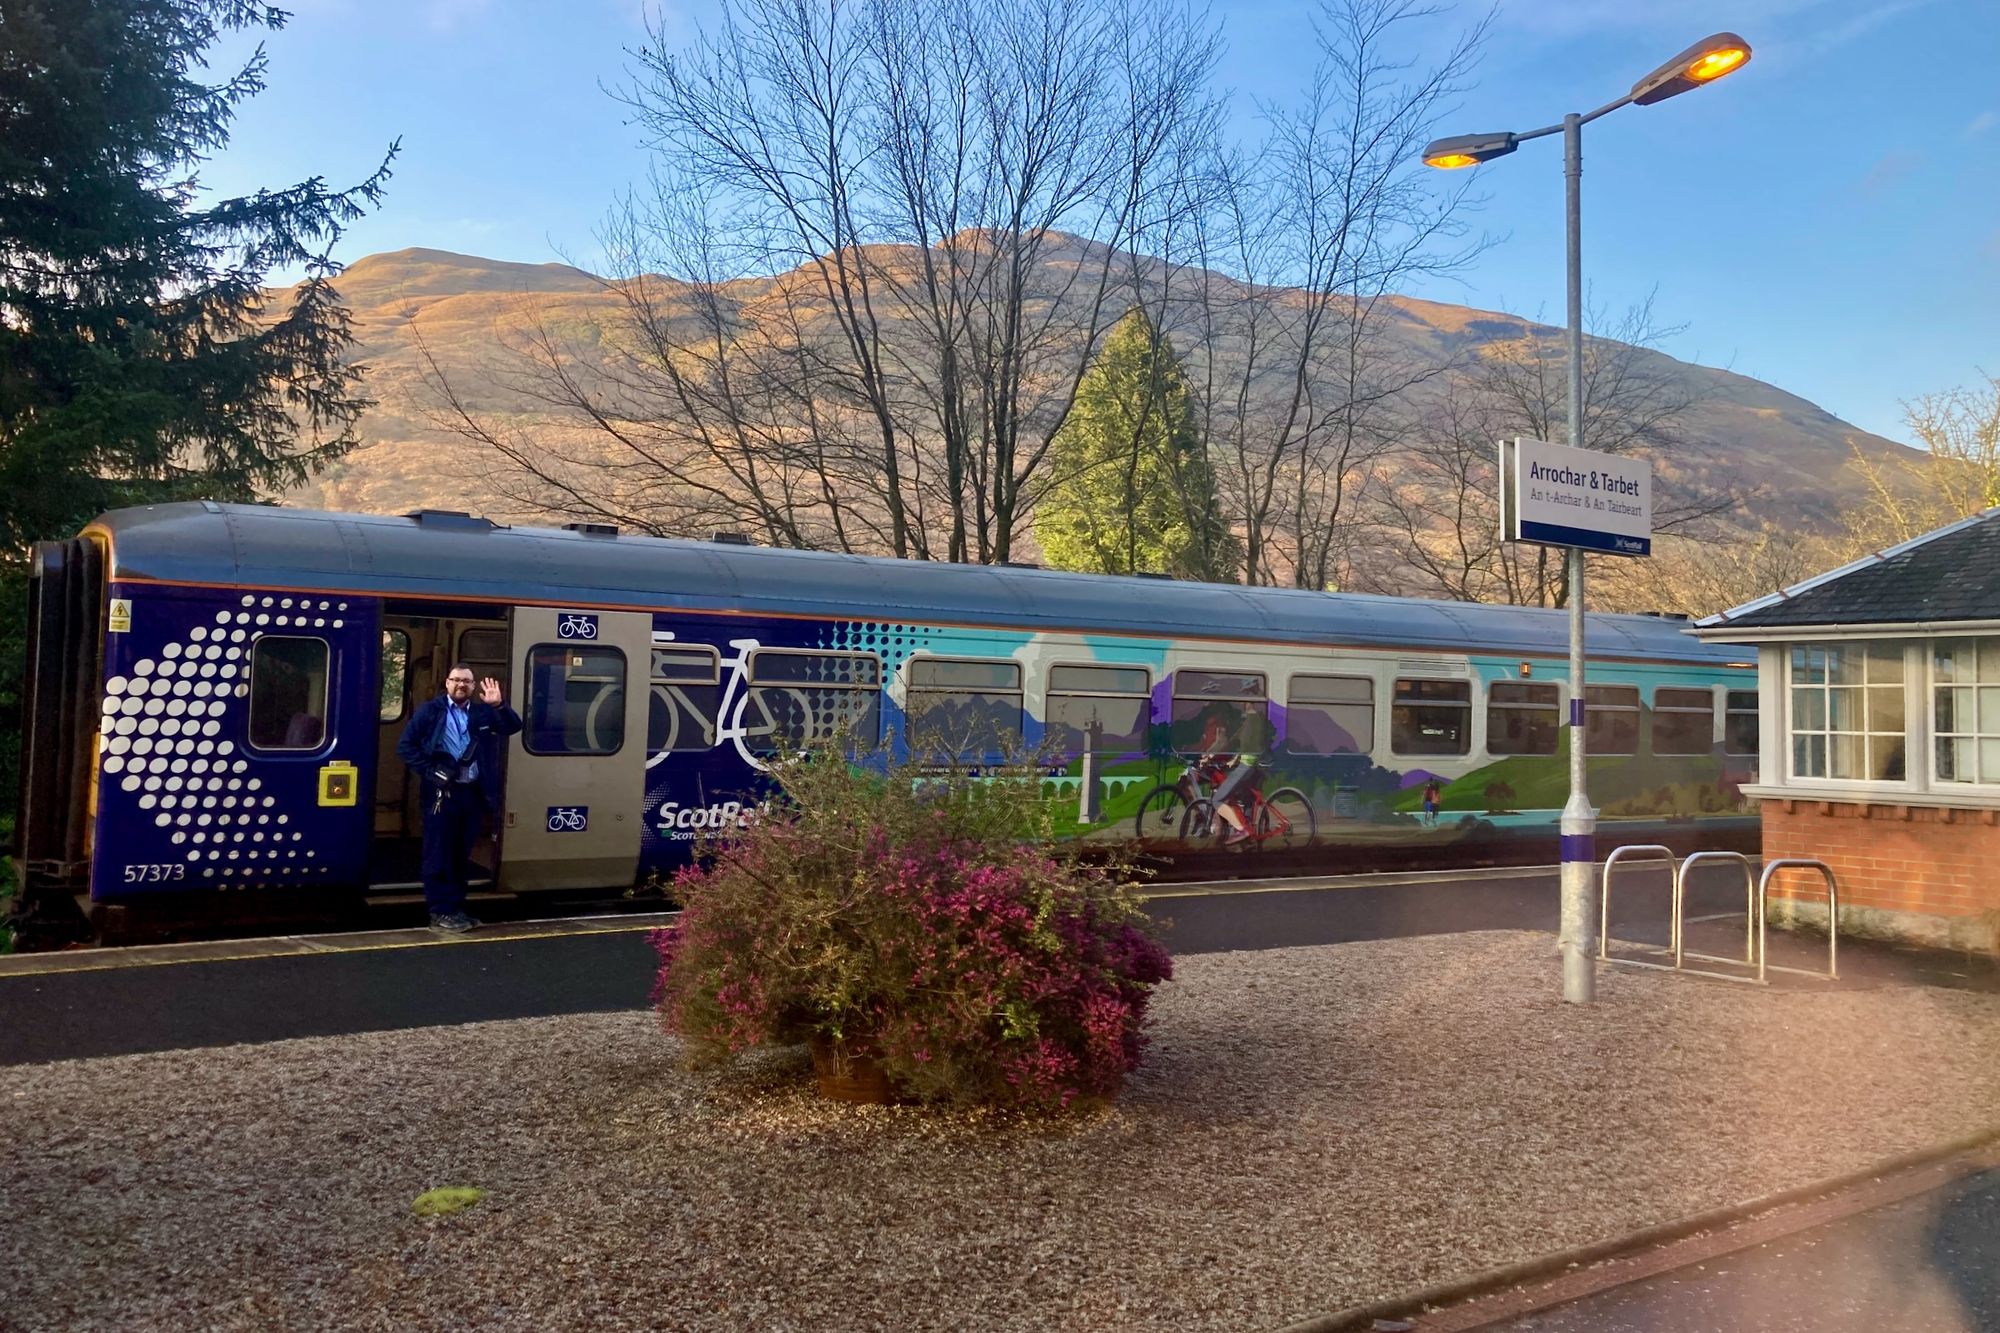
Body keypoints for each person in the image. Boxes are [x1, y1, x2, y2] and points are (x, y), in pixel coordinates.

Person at [397, 665, 523, 931]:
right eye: (456, 680)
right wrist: (430, 771)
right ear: (447, 683)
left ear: (474, 686)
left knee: (460, 854)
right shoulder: (430, 712)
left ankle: (455, 909)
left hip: (472, 794)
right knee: (438, 853)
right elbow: (405, 747)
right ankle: (439, 911)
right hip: (441, 795)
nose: (460, 685)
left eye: (466, 681)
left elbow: (513, 727)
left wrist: (499, 705)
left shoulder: (482, 712)